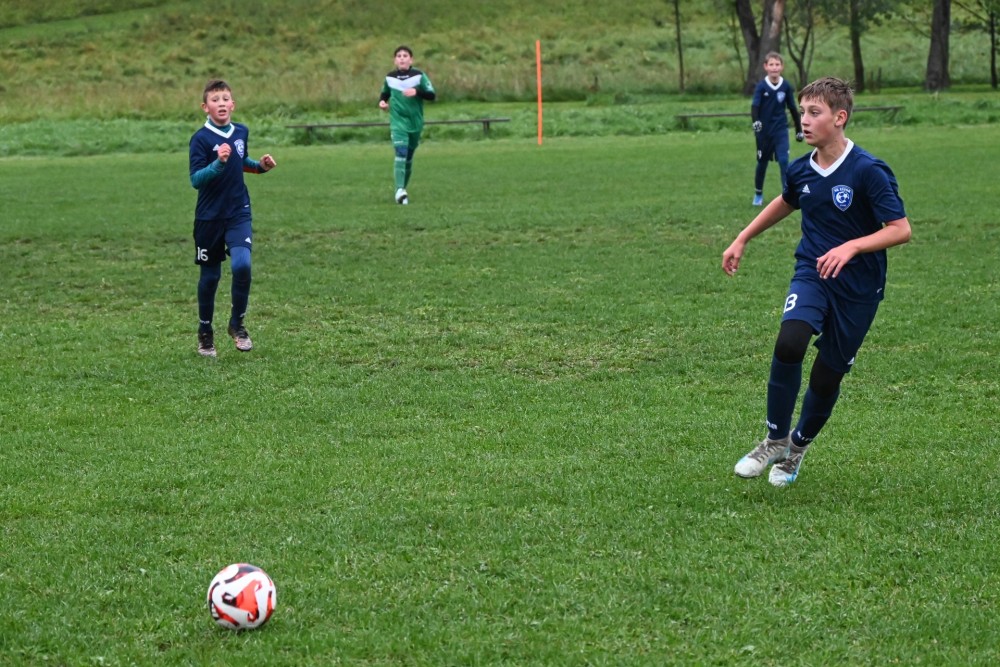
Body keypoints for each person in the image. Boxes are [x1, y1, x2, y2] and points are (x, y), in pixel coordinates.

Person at [722, 76, 911, 487]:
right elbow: (786, 200)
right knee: (790, 342)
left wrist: (852, 247)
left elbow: (900, 229)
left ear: (839, 118)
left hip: (859, 288)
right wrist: (743, 237)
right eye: (803, 112)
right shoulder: (800, 169)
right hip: (813, 272)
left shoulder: (868, 170)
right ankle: (774, 439)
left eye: (814, 112)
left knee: (827, 377)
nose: (803, 120)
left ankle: (797, 448)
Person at [189, 79, 277, 357]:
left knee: (242, 265)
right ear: (205, 107)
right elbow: (196, 179)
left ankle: (237, 325)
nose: (221, 103)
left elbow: (242, 161)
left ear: (233, 105)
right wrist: (218, 163)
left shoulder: (240, 132)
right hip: (209, 217)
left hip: (238, 211)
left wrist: (259, 167)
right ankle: (205, 333)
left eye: (225, 99)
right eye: (215, 100)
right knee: (210, 276)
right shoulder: (200, 139)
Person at [378, 45, 436, 205]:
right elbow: (385, 94)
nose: (402, 58)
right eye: (399, 56)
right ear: (395, 60)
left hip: (415, 123)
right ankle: (399, 190)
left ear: (411, 60)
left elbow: (431, 95)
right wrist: (382, 102)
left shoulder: (419, 76)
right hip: (398, 122)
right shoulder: (390, 77)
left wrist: (417, 92)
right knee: (401, 152)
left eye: (405, 56)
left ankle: (402, 189)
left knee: (408, 157)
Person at [750, 52, 804, 206]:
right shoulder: (761, 87)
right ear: (765, 67)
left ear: (782, 67)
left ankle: (787, 195)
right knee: (762, 163)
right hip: (764, 133)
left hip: (780, 130)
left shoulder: (786, 86)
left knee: (784, 161)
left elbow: (792, 108)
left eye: (777, 64)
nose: (774, 67)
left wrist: (799, 130)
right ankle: (758, 194)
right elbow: (755, 106)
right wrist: (756, 122)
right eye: (771, 64)